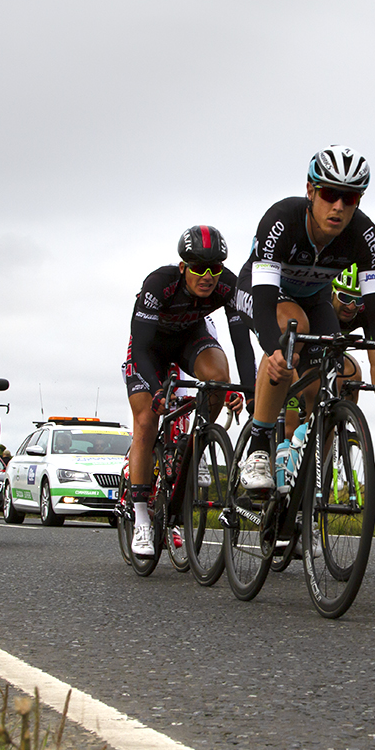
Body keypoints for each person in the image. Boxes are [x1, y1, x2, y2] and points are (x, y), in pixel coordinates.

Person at [235, 145, 375, 490]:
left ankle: (301, 489)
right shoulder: (282, 219)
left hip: (314, 299)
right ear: (310, 190)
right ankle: (259, 446)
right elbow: (263, 303)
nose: (338, 206)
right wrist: (272, 348)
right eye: (330, 194)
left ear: (359, 202)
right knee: (292, 332)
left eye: (349, 198)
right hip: (262, 292)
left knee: (328, 376)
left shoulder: (365, 235)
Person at [124, 226, 254, 557]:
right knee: (145, 421)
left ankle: (195, 443)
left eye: (215, 268)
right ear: (184, 268)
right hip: (150, 349)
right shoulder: (159, 284)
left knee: (218, 378)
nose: (208, 276)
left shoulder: (227, 285)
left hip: (188, 339)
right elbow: (139, 347)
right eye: (198, 267)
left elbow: (241, 343)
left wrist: (248, 389)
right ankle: (141, 517)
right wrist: (156, 391)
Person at [329, 264, 375, 424]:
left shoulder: (364, 310)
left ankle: (340, 427)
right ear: (332, 291)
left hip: (333, 350)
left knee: (351, 372)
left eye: (358, 300)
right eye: (345, 298)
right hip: (305, 348)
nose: (351, 306)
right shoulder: (322, 301)